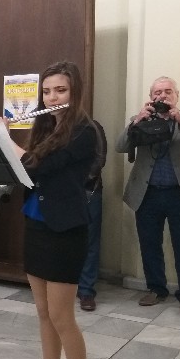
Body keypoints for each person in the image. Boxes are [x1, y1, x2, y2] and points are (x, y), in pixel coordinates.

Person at [0, 61, 96, 359]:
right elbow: (25, 171)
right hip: (37, 225)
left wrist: (4, 138)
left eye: (61, 91)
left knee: (62, 317)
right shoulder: (45, 128)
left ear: (75, 92)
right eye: (48, 91)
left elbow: (36, 166)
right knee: (43, 312)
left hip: (65, 230)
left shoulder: (84, 132)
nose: (52, 97)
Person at [114, 76, 180, 316]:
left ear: (176, 95)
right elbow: (120, 146)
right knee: (149, 244)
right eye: (157, 92)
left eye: (168, 91)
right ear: (151, 97)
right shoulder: (140, 119)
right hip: (147, 194)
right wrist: (137, 121)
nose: (162, 96)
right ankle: (156, 288)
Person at [77, 121, 107, 311]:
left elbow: (99, 158)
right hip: (59, 193)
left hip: (88, 190)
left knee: (90, 242)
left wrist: (77, 182)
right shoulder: (51, 126)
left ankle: (86, 290)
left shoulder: (92, 126)